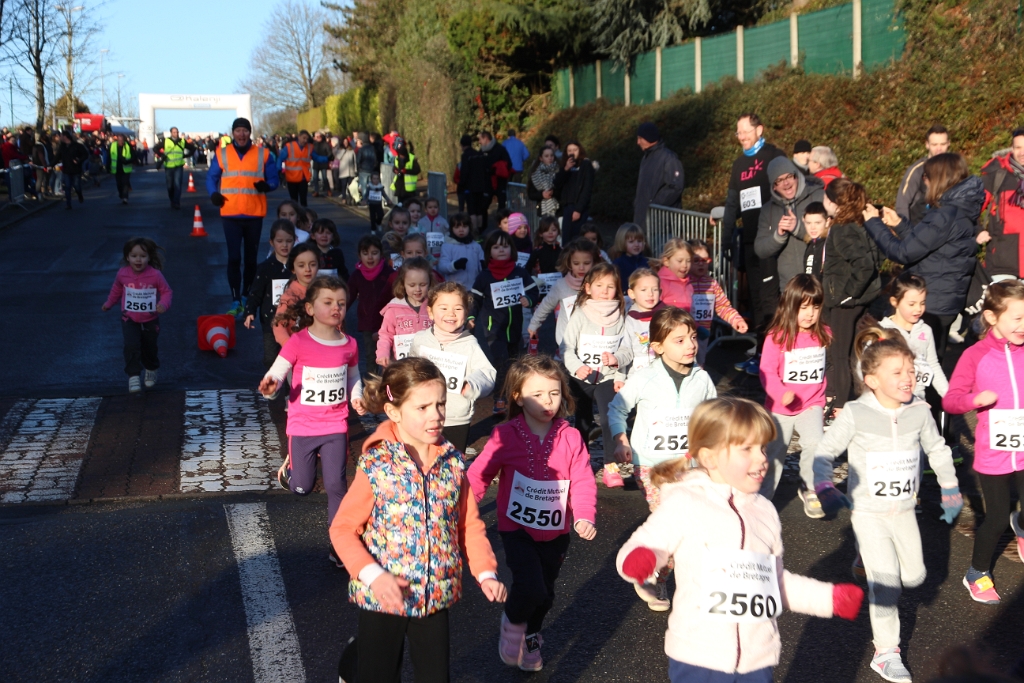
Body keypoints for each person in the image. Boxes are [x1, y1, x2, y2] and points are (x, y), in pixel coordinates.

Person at [618, 397, 864, 683]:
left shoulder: (765, 511)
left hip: (756, 659)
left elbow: (773, 581)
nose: (761, 458)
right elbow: (646, 543)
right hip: (698, 655)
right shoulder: (686, 501)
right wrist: (642, 558)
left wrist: (828, 599)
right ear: (710, 457)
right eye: (747, 449)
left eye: (763, 447)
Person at [331, 357, 506, 683]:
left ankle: (361, 653)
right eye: (422, 407)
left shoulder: (453, 463)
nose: (436, 415)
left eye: (440, 404)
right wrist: (373, 575)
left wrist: (485, 573)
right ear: (394, 411)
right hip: (382, 596)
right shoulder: (376, 464)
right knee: (377, 675)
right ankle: (354, 662)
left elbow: (469, 524)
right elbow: (342, 529)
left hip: (434, 593)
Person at [814, 329, 962, 683]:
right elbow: (825, 451)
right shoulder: (855, 413)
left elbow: (937, 448)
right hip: (868, 512)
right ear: (872, 380)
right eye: (897, 372)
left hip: (905, 510)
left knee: (915, 576)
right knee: (887, 585)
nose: (908, 377)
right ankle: (885, 653)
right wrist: (823, 485)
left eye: (910, 370)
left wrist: (950, 485)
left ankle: (863, 558)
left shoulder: (920, 412)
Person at [468, 354, 597, 671]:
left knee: (546, 594)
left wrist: (584, 515)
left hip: (556, 530)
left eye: (554, 392)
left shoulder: (570, 437)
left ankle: (531, 635)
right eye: (537, 394)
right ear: (518, 397)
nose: (548, 401)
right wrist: (461, 509)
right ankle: (513, 624)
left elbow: (582, 479)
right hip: (516, 528)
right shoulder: (505, 435)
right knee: (530, 586)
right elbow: (479, 474)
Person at [609, 307, 716, 610]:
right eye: (679, 341)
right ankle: (653, 576)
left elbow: (712, 417)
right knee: (674, 521)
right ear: (657, 346)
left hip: (689, 466)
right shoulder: (644, 378)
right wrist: (620, 437)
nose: (690, 345)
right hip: (651, 465)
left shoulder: (702, 379)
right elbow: (617, 408)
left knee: (692, 525)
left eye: (692, 337)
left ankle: (664, 575)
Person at [259, 277, 361, 567]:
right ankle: (291, 473)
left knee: (337, 486)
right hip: (303, 426)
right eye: (328, 302)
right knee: (302, 488)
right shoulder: (298, 342)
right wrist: (270, 387)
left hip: (335, 426)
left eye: (341, 303)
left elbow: (353, 376)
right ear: (310, 308)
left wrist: (357, 398)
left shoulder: (349, 344)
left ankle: (338, 545)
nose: (336, 308)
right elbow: (278, 371)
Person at [943, 281, 1024, 604]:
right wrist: (975, 400)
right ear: (992, 317)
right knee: (997, 518)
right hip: (994, 454)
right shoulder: (975, 355)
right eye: (1017, 318)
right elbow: (951, 400)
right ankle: (976, 573)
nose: (1023, 325)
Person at [863, 153, 982, 359]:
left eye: (926, 176)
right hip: (945, 299)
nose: (924, 182)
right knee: (932, 360)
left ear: (938, 179)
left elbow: (903, 252)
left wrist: (873, 223)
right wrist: (899, 224)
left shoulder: (945, 214)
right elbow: (929, 247)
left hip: (929, 302)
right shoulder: (959, 210)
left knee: (919, 365)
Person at [721, 114, 787, 376]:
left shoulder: (774, 156)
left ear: (759, 129)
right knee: (757, 300)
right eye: (738, 133)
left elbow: (790, 190)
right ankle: (761, 354)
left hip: (772, 239)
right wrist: (726, 237)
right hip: (749, 240)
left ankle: (774, 355)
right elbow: (732, 203)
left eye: (746, 131)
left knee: (772, 300)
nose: (742, 137)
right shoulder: (739, 164)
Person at [759, 274, 830, 515]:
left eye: (815, 307)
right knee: (774, 454)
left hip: (811, 403)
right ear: (791, 306)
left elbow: (830, 365)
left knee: (815, 443)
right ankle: (762, 498)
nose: (810, 314)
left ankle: (810, 487)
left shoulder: (824, 334)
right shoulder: (777, 337)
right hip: (780, 408)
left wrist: (833, 395)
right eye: (804, 307)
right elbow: (767, 371)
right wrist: (780, 393)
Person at [561, 263, 628, 487]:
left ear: (617, 289)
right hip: (581, 378)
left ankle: (610, 467)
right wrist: (576, 367)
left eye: (610, 286)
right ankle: (580, 465)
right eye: (599, 285)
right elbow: (567, 347)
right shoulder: (580, 313)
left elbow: (626, 348)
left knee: (609, 418)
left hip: (607, 378)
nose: (605, 291)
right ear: (588, 288)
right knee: (581, 422)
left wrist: (619, 369)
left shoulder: (621, 315)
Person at [207, 117, 280, 317]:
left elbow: (274, 179)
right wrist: (213, 194)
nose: (241, 134)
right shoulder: (222, 153)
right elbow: (212, 177)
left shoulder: (263, 154)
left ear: (250, 133)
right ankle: (235, 299)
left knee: (250, 259)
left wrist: (267, 186)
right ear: (233, 133)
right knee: (234, 258)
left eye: (245, 130)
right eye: (238, 130)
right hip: (230, 213)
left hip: (254, 213)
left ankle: (247, 295)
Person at [411, 282, 495, 451]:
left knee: (452, 462)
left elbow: (487, 374)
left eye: (458, 308)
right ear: (430, 312)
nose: (451, 313)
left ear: (466, 312)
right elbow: (409, 368)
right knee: (421, 459)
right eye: (443, 308)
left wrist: (471, 385)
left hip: (455, 418)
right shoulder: (420, 340)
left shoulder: (470, 345)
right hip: (422, 413)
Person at [822, 178, 882, 414]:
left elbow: (864, 265)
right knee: (854, 355)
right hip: (858, 299)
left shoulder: (842, 227)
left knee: (840, 355)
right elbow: (877, 258)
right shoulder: (860, 223)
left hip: (846, 302)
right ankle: (856, 404)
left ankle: (840, 408)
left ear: (833, 201)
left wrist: (848, 294)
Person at [470, 230, 537, 412]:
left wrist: (528, 300)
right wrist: (470, 317)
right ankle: (499, 398)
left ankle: (514, 395)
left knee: (515, 362)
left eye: (505, 246)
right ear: (489, 251)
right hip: (494, 329)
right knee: (502, 362)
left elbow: (533, 291)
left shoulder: (519, 273)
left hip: (515, 328)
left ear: (512, 250)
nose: (501, 250)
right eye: (496, 247)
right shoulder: (484, 276)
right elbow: (475, 300)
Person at [101, 237, 173, 393]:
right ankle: (133, 376)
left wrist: (163, 304)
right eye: (134, 256)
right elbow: (116, 290)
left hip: (150, 319)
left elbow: (166, 291)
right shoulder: (122, 274)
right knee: (131, 345)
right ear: (127, 257)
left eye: (142, 256)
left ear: (149, 257)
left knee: (149, 347)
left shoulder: (155, 275)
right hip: (129, 319)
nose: (138, 260)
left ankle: (151, 368)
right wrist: (109, 303)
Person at [754, 156, 826, 295]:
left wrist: (798, 228)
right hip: (789, 288)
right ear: (774, 186)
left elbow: (831, 233)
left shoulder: (819, 197)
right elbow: (760, 249)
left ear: (796, 176)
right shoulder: (768, 210)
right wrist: (778, 236)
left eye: (789, 177)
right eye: (779, 180)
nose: (786, 183)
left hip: (820, 282)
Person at [528, 238, 601, 350]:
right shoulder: (561, 285)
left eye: (586, 263)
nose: (581, 267)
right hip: (566, 342)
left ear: (594, 262)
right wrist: (534, 324)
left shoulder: (601, 285)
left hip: (592, 340)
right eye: (576, 263)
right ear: (569, 263)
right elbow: (546, 305)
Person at [243, 220, 297, 369]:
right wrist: (250, 311)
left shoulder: (298, 266)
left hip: (295, 320)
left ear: (295, 241)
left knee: (293, 356)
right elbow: (256, 292)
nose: (284, 245)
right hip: (271, 321)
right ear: (271, 242)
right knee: (270, 359)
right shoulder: (265, 267)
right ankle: (274, 381)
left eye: (289, 241)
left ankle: (291, 383)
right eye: (280, 241)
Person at [688, 239, 747, 364]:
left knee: (699, 365)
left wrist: (736, 320)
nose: (701, 264)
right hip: (684, 333)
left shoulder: (712, 284)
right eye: (696, 260)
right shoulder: (683, 282)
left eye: (705, 260)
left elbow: (723, 306)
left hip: (703, 334)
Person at [978, 127, 1024, 280]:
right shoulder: (996, 175)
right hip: (1002, 263)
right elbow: (970, 209)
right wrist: (978, 230)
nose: (1022, 153)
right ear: (1012, 148)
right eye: (1018, 147)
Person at [348, 234, 393, 375]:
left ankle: (388, 382)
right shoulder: (356, 275)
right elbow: (348, 297)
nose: (370, 257)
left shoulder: (389, 273)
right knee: (371, 356)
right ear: (359, 255)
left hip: (388, 321)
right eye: (365, 253)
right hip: (367, 322)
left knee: (389, 355)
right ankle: (372, 384)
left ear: (381, 254)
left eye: (374, 253)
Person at [377, 257, 435, 367]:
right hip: (402, 366)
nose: (417, 289)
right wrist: (383, 353)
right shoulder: (393, 309)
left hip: (428, 365)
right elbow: (385, 335)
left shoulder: (435, 307)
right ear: (403, 283)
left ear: (430, 282)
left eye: (423, 284)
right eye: (412, 285)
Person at [632, 122, 685, 230]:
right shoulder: (646, 158)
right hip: (643, 220)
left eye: (640, 138)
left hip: (661, 223)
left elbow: (676, 186)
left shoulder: (669, 158)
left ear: (649, 137)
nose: (638, 142)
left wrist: (655, 204)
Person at [895, 124, 951, 225]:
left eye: (942, 144)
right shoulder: (916, 171)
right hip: (918, 228)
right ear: (927, 145)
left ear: (948, 143)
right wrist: (905, 230)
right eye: (934, 145)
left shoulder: (955, 170)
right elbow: (902, 204)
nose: (939, 148)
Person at [619, 268, 665, 377]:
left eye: (655, 289)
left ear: (660, 292)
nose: (650, 294)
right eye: (643, 290)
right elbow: (625, 349)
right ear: (632, 293)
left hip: (663, 375)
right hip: (637, 376)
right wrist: (619, 377)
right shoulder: (629, 319)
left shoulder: (667, 316)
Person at [272, 244, 321, 346]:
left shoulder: (325, 291)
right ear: (293, 269)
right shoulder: (289, 296)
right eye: (301, 265)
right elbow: (279, 325)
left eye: (312, 264)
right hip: (299, 349)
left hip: (323, 348)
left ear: (318, 266)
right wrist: (288, 345)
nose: (308, 269)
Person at [553, 141, 595, 243]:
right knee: (566, 239)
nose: (572, 152)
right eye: (569, 150)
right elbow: (557, 184)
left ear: (579, 150)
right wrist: (566, 169)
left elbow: (587, 189)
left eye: (575, 150)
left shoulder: (586, 164)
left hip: (579, 207)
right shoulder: (565, 166)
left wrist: (578, 209)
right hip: (567, 207)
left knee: (577, 239)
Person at [280, 130, 328, 207]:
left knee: (303, 201)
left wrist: (327, 158)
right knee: (294, 201)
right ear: (299, 137)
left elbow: (316, 158)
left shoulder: (309, 147)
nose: (305, 140)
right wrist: (278, 170)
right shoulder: (289, 146)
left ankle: (303, 213)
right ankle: (296, 213)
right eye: (304, 138)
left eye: (307, 139)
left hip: (303, 178)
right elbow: (280, 158)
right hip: (292, 178)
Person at [438, 213, 484, 291]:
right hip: (454, 288)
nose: (461, 230)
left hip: (474, 287)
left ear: (469, 227)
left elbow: (482, 264)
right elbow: (442, 266)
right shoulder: (447, 246)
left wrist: (484, 266)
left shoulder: (476, 246)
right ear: (451, 229)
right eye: (457, 227)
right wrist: (454, 265)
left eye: (464, 226)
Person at [480, 130, 512, 212]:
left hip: (500, 181)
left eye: (480, 139)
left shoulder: (500, 149)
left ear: (486, 139)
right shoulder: (481, 151)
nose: (479, 142)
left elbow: (508, 164)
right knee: (483, 206)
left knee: (501, 205)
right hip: (487, 182)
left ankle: (501, 219)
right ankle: (484, 220)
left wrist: (497, 170)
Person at [57, 129, 88, 209]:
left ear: (65, 137)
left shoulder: (77, 145)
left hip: (76, 170)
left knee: (77, 186)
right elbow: (57, 157)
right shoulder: (62, 147)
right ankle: (68, 204)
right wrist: (50, 165)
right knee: (67, 187)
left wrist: (78, 160)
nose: (60, 137)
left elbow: (85, 154)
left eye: (61, 136)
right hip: (66, 170)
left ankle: (79, 194)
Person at [162, 127, 191, 209]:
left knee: (178, 184)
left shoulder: (182, 141)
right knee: (170, 186)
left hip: (178, 166)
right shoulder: (166, 141)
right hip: (168, 166)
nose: (176, 133)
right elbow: (155, 148)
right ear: (171, 133)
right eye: (174, 132)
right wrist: (162, 156)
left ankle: (176, 202)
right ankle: (172, 200)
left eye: (177, 132)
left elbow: (192, 148)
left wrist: (186, 155)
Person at [527, 145, 560, 217]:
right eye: (546, 156)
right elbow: (531, 194)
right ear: (541, 158)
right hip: (543, 210)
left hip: (559, 209)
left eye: (552, 155)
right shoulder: (535, 173)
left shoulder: (559, 170)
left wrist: (553, 192)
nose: (550, 158)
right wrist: (542, 194)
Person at [802, 202, 830, 280]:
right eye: (808, 223)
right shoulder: (810, 244)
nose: (812, 227)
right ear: (803, 221)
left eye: (818, 223)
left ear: (827, 222)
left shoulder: (830, 244)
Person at [392, 137, 420, 204]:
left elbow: (417, 170)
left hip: (409, 189)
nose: (401, 157)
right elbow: (394, 167)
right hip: (400, 186)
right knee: (400, 204)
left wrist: (406, 171)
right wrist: (395, 170)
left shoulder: (411, 158)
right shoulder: (397, 158)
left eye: (402, 155)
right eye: (400, 155)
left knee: (409, 205)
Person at [109, 133, 134, 205]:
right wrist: (108, 167)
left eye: (122, 140)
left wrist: (127, 161)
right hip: (117, 168)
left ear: (124, 140)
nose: (121, 142)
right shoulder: (112, 145)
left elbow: (133, 156)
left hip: (126, 169)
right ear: (117, 140)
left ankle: (125, 197)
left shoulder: (128, 146)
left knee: (125, 183)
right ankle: (121, 194)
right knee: (119, 184)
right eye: (119, 140)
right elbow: (109, 156)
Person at [356, 135, 378, 201]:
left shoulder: (361, 149)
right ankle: (370, 199)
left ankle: (365, 200)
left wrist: (359, 168)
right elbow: (375, 159)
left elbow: (358, 160)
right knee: (371, 186)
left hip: (363, 170)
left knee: (364, 186)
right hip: (371, 170)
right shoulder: (372, 148)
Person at [311, 131, 332, 197]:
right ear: (315, 138)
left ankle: (328, 190)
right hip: (316, 163)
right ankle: (316, 191)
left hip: (323, 163)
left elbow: (329, 153)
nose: (318, 138)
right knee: (315, 178)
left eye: (319, 136)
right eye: (317, 137)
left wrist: (326, 159)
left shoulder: (325, 144)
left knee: (324, 178)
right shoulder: (313, 144)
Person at [336, 137, 357, 203]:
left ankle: (351, 198)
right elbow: (338, 158)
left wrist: (355, 169)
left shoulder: (351, 150)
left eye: (346, 142)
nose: (345, 143)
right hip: (343, 171)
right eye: (344, 142)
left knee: (351, 186)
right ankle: (344, 198)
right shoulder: (339, 150)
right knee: (344, 185)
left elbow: (354, 161)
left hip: (351, 171)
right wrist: (343, 150)